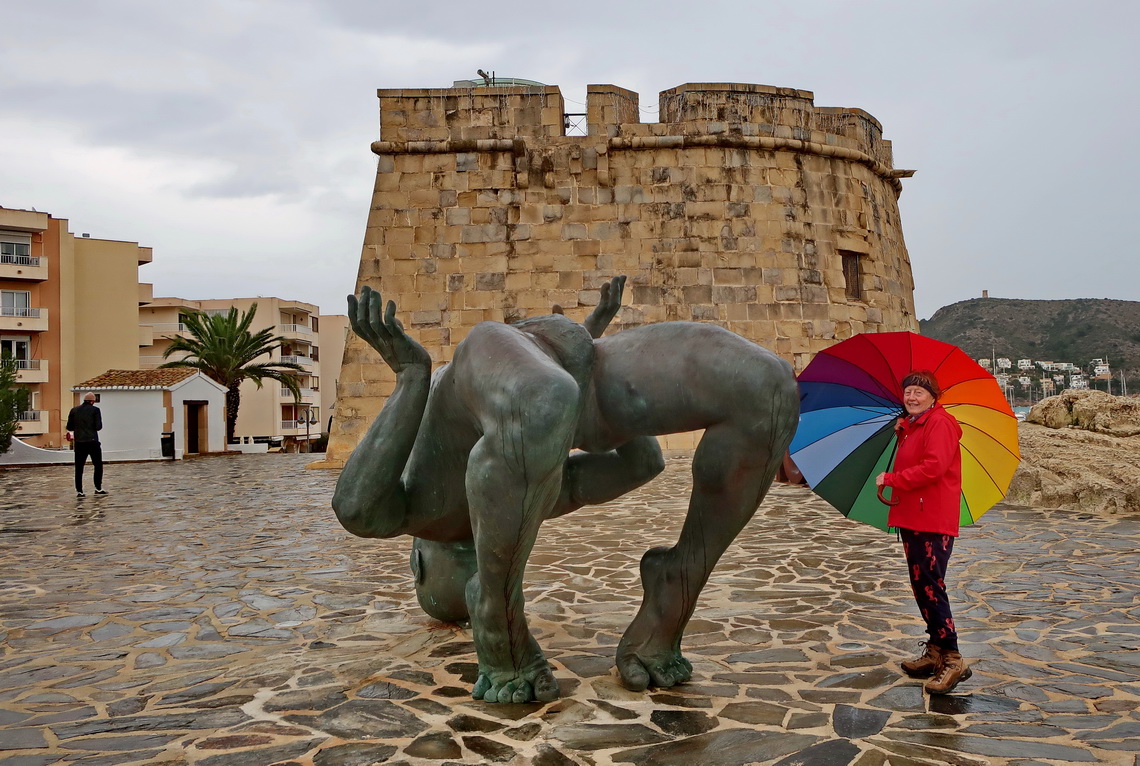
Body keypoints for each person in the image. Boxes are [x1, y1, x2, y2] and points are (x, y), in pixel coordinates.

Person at [332, 276, 800, 703]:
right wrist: (599, 354)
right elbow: (644, 461)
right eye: (470, 599)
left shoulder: (418, 512)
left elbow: (352, 506)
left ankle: (499, 617)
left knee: (542, 399)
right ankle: (676, 581)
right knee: (768, 386)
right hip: (577, 378)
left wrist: (411, 374)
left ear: (419, 564)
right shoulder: (535, 498)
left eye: (447, 593)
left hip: (496, 365)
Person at [876, 370, 968, 694]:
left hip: (931, 518)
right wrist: (903, 432)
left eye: (919, 392)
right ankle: (935, 650)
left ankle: (953, 658)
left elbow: (933, 467)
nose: (912, 397)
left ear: (933, 396)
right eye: (908, 392)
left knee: (931, 587)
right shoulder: (913, 426)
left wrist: (891, 480)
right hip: (914, 516)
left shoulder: (940, 424)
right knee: (921, 586)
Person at [67, 392, 106, 498]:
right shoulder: (95, 410)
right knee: (98, 465)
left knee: (79, 467)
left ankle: (79, 491)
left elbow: (69, 427)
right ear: (92, 401)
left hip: (79, 442)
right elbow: (98, 426)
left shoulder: (74, 410)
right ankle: (98, 488)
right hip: (92, 441)